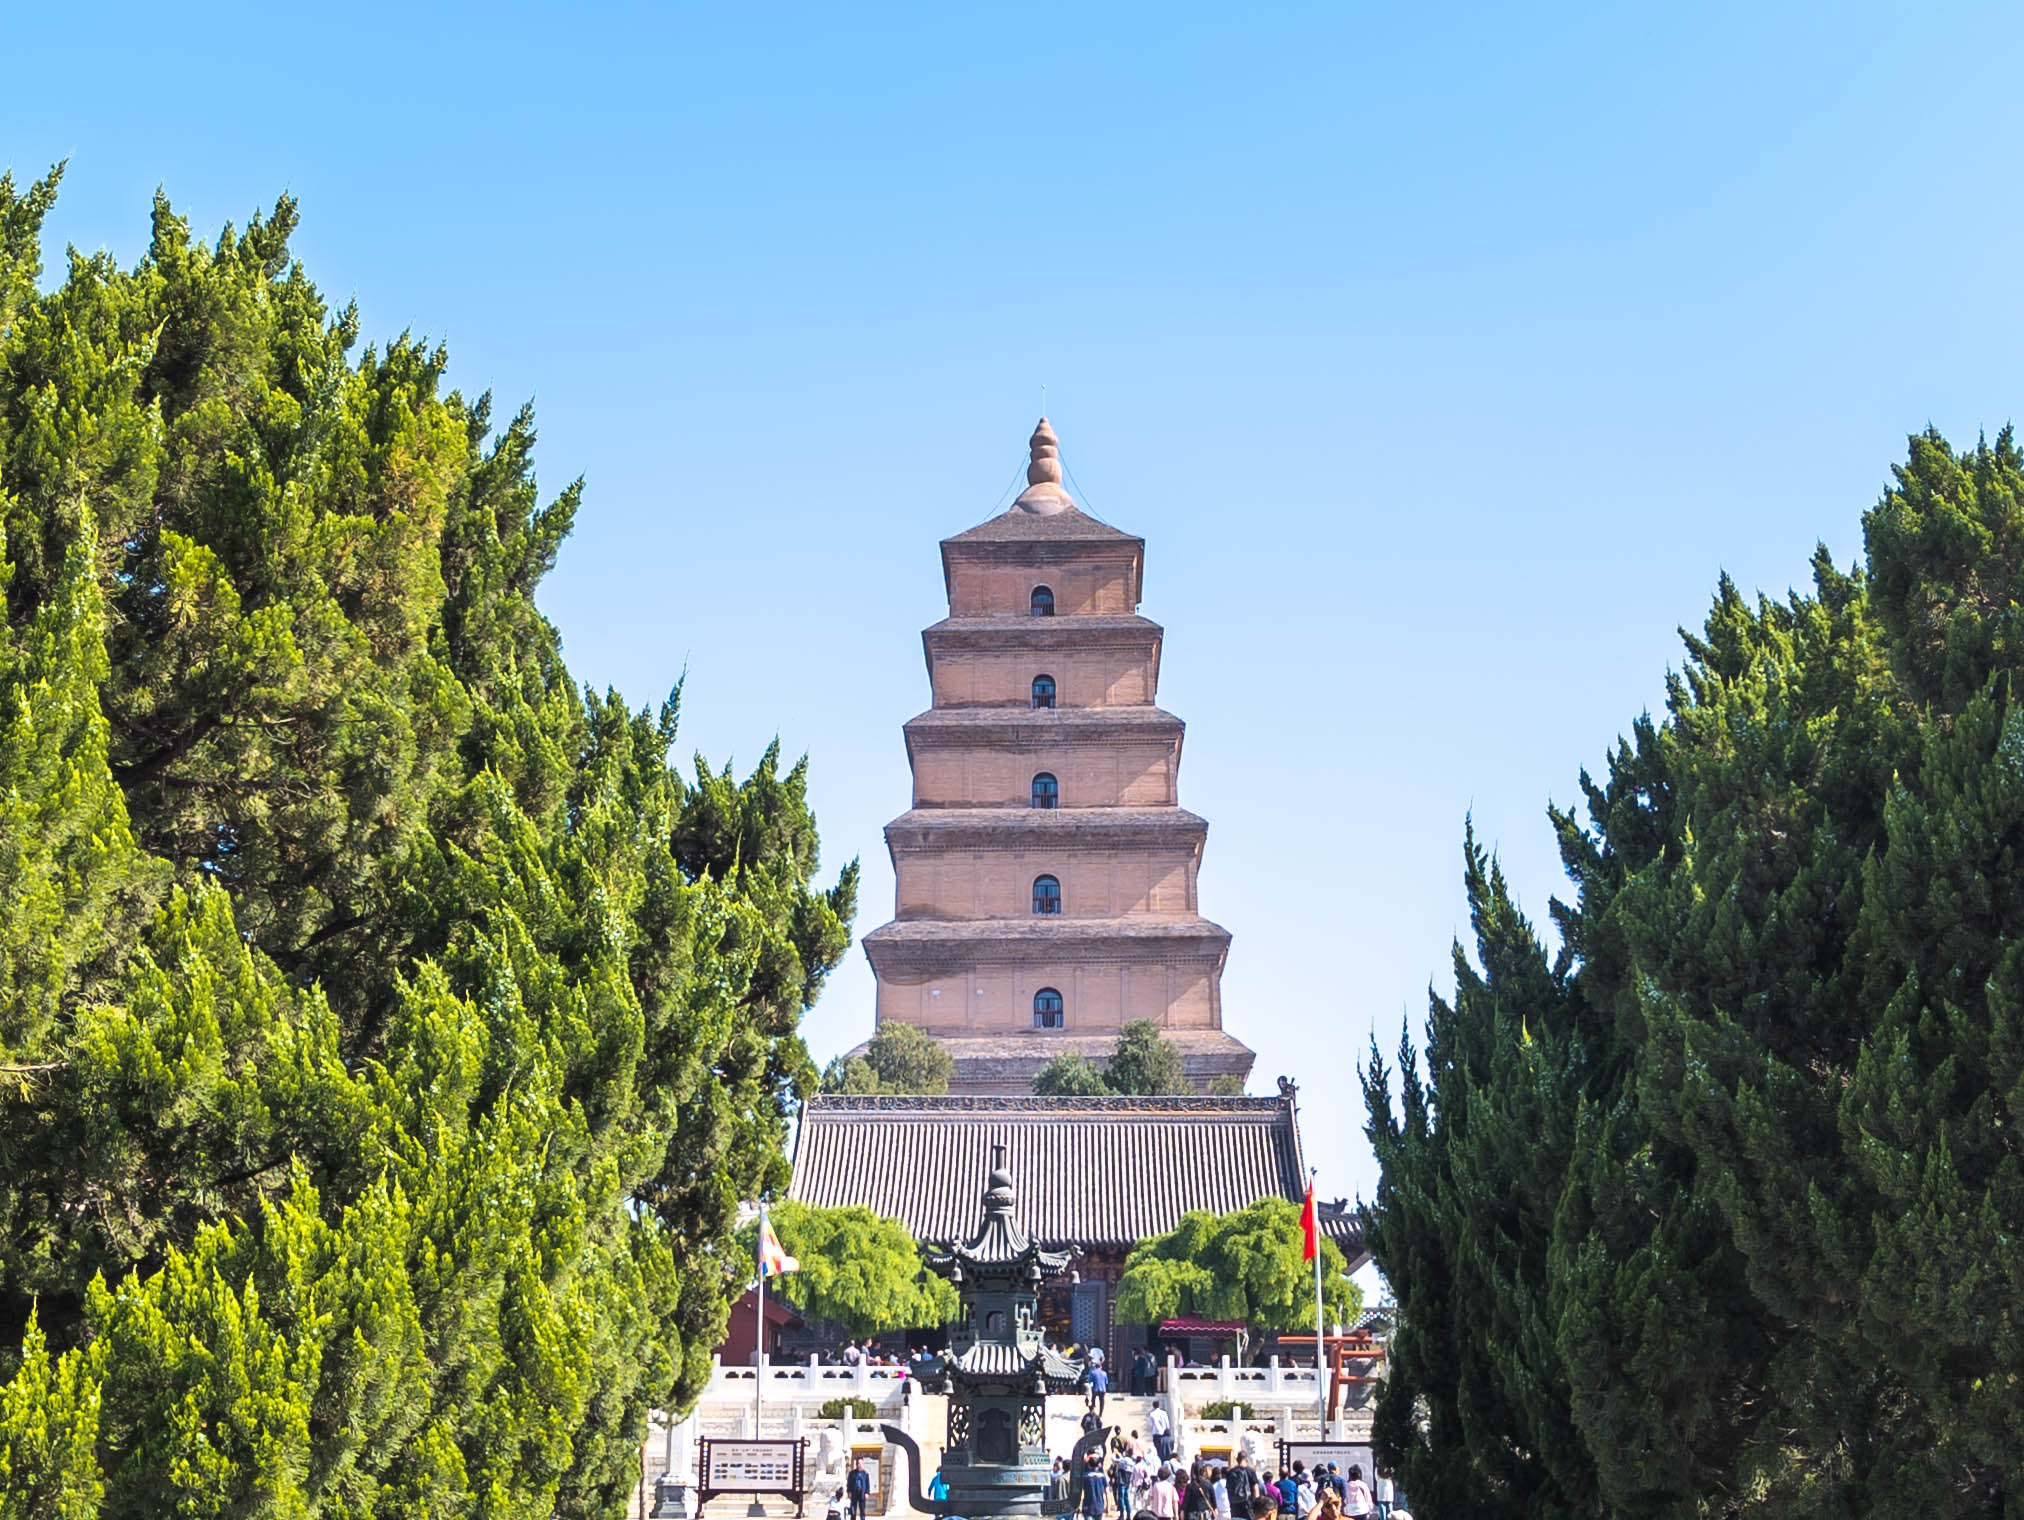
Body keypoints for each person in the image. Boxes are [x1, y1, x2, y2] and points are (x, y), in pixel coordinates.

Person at [1225, 1451, 1258, 1517]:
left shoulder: (1231, 1472)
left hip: (1234, 1504)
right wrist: (1257, 1504)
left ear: (1237, 1459)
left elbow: (1228, 1488)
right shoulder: (1250, 1471)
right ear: (1246, 1459)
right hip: (1248, 1504)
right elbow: (1255, 1489)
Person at [1082, 1454, 1110, 1520]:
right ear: (1098, 1465)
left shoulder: (1085, 1477)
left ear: (1089, 1465)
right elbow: (1107, 1492)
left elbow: (1080, 1493)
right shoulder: (1102, 1477)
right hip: (1099, 1506)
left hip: (1088, 1506)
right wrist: (1107, 1506)